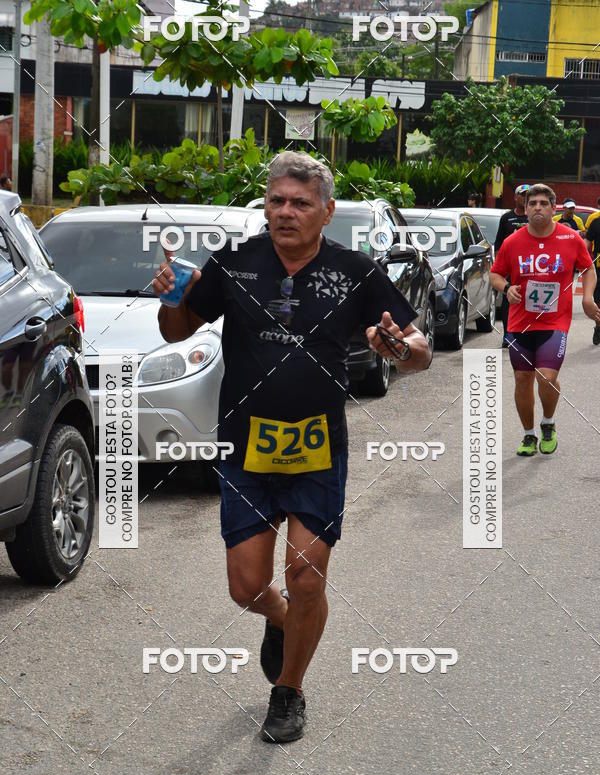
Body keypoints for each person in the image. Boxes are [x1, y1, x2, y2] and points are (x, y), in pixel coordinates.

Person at [152, 152, 431, 743]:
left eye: (300, 203)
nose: (285, 212)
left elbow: (417, 346)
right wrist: (170, 299)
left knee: (306, 577)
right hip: (246, 449)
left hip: (317, 447)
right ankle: (280, 621)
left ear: (326, 212)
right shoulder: (234, 264)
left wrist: (397, 348)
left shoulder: (355, 272)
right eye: (276, 200)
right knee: (247, 586)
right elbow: (177, 330)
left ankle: (289, 691)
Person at [490, 183, 598, 457]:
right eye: (532, 204)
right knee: (522, 378)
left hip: (554, 322)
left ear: (553, 208)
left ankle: (548, 423)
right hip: (519, 323)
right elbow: (496, 274)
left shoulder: (569, 238)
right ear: (525, 209)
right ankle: (529, 435)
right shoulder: (512, 242)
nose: (537, 207)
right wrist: (506, 288)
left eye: (542, 203)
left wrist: (587, 298)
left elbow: (587, 267)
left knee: (545, 377)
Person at [494, 184, 530, 347]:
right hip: (510, 266)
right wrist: (498, 268)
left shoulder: (533, 218)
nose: (525, 197)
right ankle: (508, 333)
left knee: (528, 300)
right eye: (522, 195)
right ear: (515, 197)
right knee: (508, 299)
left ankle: (526, 333)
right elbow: (498, 244)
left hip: (530, 266)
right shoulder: (506, 218)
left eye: (528, 195)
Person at [585, 213, 600, 344]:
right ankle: (599, 326)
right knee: (598, 300)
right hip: (598, 268)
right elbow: (586, 243)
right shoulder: (595, 222)